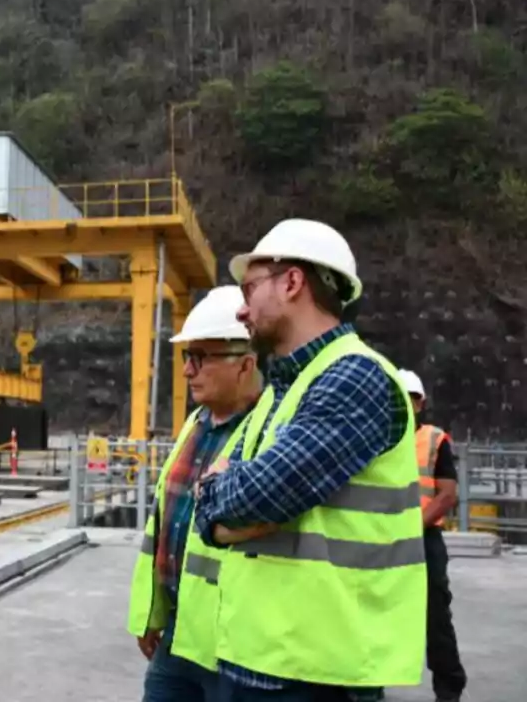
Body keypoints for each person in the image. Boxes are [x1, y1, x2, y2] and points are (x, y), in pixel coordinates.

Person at [194, 218, 426, 702]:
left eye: (250, 288)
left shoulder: (355, 379)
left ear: (293, 282)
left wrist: (225, 506)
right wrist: (221, 510)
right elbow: (214, 504)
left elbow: (250, 498)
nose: (241, 309)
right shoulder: (287, 388)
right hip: (263, 657)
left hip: (319, 672)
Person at [127, 286, 262, 702]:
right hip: (178, 637)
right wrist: (153, 613)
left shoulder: (270, 431)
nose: (188, 371)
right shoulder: (195, 425)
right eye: (187, 358)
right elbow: (164, 526)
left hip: (235, 648)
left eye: (199, 358)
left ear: (245, 364)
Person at [399, 369, 467, 702]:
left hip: (423, 540)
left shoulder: (434, 439)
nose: (405, 404)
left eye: (411, 398)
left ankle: (449, 689)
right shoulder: (376, 441)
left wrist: (410, 528)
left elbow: (447, 494)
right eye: (399, 397)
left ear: (421, 403)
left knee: (436, 616)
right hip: (380, 540)